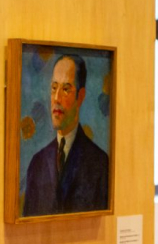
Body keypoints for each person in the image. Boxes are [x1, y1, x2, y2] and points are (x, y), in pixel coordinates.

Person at [23, 54, 109, 216]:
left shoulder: (99, 163)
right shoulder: (37, 164)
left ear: (80, 97)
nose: (57, 98)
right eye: (54, 88)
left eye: (66, 89)